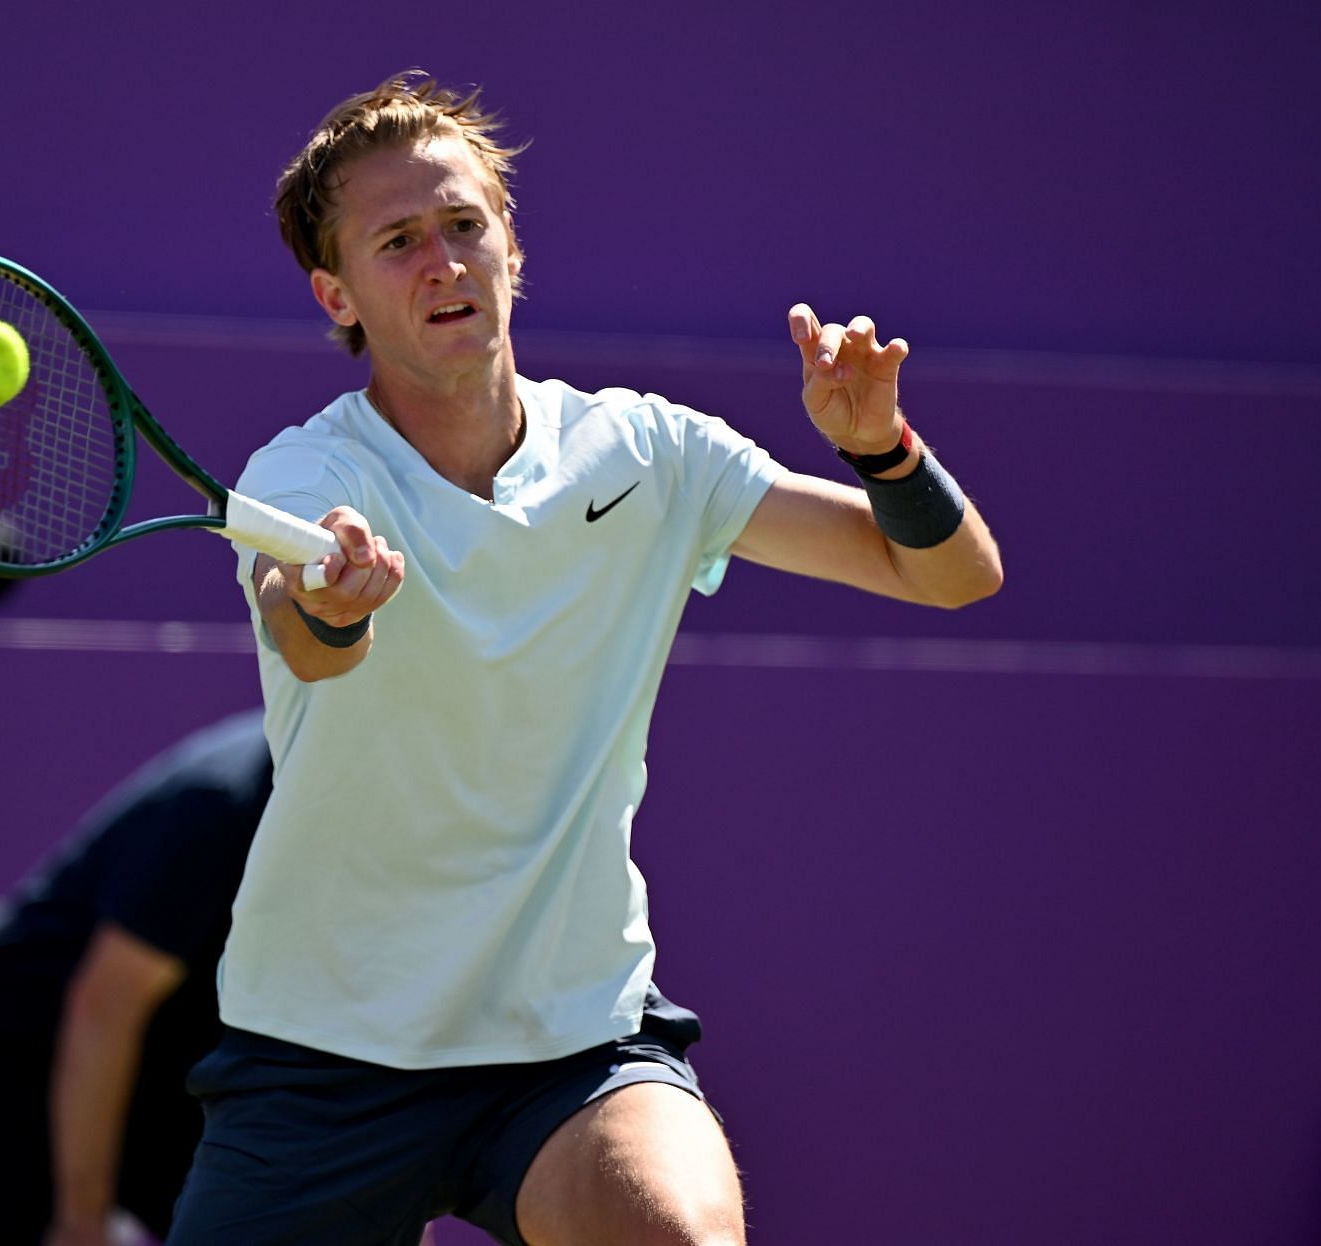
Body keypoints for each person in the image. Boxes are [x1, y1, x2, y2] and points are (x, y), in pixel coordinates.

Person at [167, 73, 1005, 1245]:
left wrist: (884, 448)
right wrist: (337, 604)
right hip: (323, 1062)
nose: (444, 262)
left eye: (465, 224)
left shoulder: (649, 452)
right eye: (398, 241)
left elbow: (951, 572)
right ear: (337, 293)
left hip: (568, 1049)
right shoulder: (308, 480)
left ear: (513, 242)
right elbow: (304, 636)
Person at [0, 710, 271, 1246]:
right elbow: (104, 1006)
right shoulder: (223, 803)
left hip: (175, 1053)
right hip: (29, 1057)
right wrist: (81, 1221)